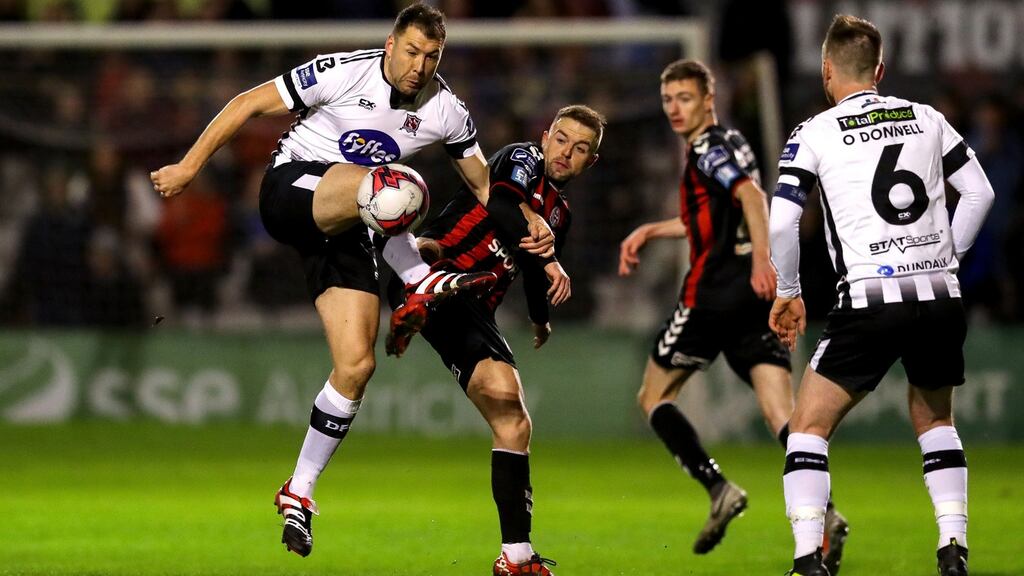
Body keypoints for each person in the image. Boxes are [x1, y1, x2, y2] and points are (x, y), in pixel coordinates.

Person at [150, 3, 554, 559]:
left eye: (431, 56)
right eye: (411, 51)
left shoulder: (447, 110)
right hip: (293, 192)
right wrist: (189, 167)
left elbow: (486, 187)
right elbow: (248, 103)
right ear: (390, 44)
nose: (419, 65)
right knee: (397, 185)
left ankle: (299, 490)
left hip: (352, 228)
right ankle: (419, 274)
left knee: (356, 366)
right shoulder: (342, 70)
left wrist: (528, 219)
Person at [769, 15, 994, 576]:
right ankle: (952, 549)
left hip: (870, 296)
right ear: (880, 70)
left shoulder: (815, 131)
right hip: (939, 294)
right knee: (936, 420)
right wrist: (949, 259)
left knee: (808, 429)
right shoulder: (926, 117)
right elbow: (980, 192)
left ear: (827, 71)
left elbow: (781, 224)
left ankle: (806, 560)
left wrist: (789, 291)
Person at [618, 59, 848, 567]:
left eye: (684, 98)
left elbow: (750, 196)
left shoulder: (704, 149)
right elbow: (714, 215)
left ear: (708, 98)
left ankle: (717, 487)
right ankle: (826, 513)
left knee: (653, 396)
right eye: (667, 100)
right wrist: (652, 230)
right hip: (752, 298)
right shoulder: (734, 141)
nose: (675, 109)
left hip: (712, 295)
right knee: (780, 413)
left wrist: (766, 258)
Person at [399, 104, 603, 575]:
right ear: (545, 134)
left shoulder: (560, 215)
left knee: (514, 421)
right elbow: (499, 203)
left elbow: (532, 263)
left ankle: (515, 557)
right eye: (561, 139)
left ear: (590, 162)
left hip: (475, 307)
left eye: (580, 149)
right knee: (510, 411)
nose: (565, 152)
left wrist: (539, 318)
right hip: (441, 276)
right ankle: (409, 300)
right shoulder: (522, 158)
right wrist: (551, 262)